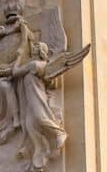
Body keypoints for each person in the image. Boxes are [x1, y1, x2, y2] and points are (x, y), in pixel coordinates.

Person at [11, 41, 68, 171]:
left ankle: (59, 134)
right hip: (30, 100)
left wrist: (19, 57)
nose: (34, 47)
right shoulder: (38, 65)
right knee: (30, 125)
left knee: (40, 118)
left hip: (37, 96)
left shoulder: (34, 65)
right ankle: (41, 149)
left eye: (37, 46)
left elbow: (15, 72)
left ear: (42, 50)